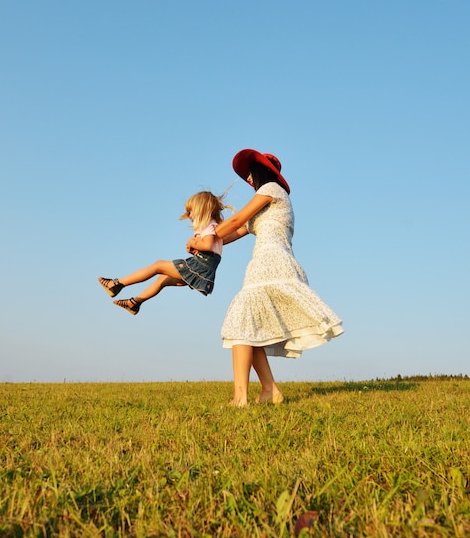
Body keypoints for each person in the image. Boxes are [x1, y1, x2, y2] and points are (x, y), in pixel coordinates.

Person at [215, 149, 343, 406]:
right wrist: (204, 243)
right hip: (261, 264)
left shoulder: (272, 189)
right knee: (248, 327)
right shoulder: (262, 207)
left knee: (243, 323)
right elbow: (235, 231)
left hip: (272, 262)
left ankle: (241, 398)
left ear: (262, 171)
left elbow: (237, 218)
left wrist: (209, 234)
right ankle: (269, 390)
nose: (248, 179)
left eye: (250, 174)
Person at [99, 190, 233, 315]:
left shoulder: (208, 224)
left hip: (199, 267)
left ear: (201, 209)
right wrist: (195, 249)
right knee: (162, 279)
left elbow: (208, 245)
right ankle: (134, 303)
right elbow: (211, 248)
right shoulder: (214, 226)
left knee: (158, 265)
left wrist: (193, 243)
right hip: (203, 269)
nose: (188, 215)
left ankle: (117, 284)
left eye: (190, 211)